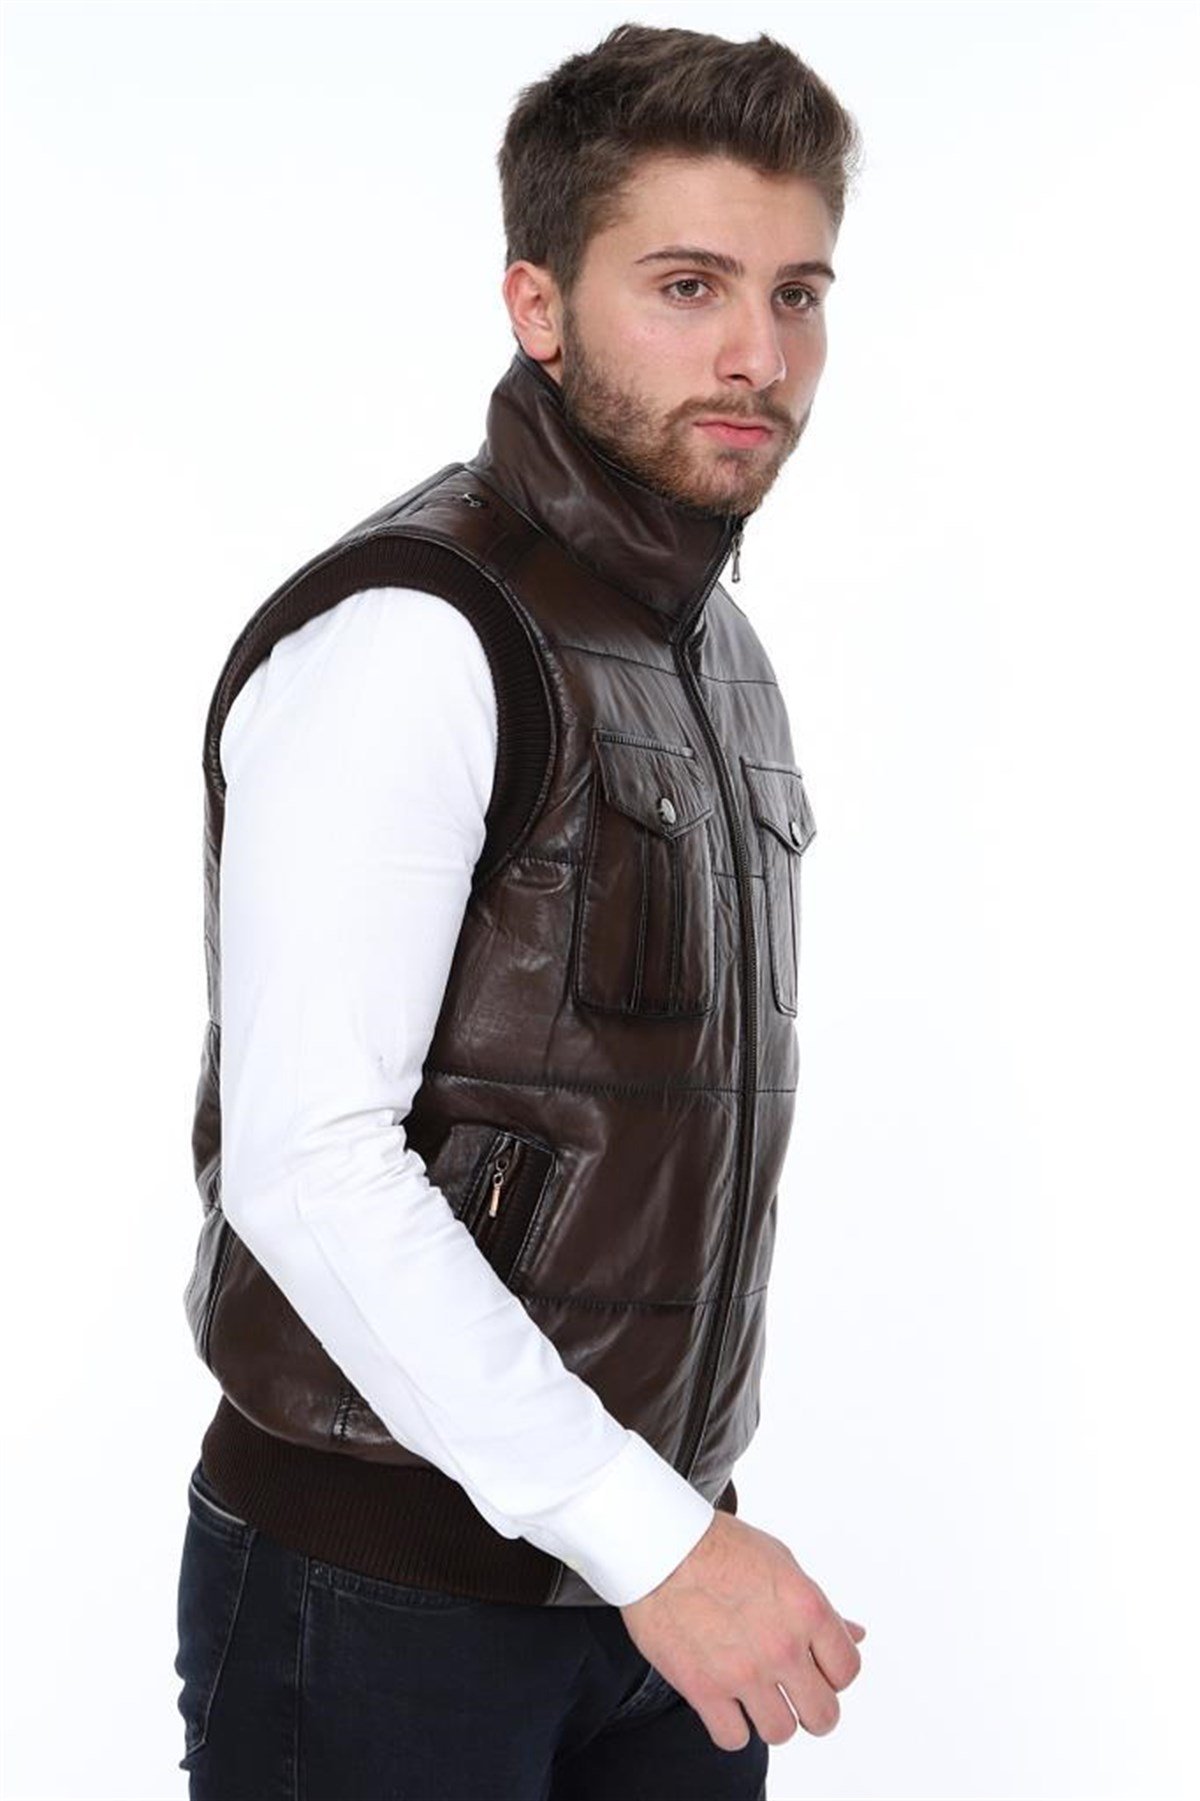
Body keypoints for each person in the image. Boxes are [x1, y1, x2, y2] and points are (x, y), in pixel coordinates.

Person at [174, 21, 866, 1799]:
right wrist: (656, 1536)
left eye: (797, 293)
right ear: (537, 306)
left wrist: (669, 1539)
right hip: (386, 1598)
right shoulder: (420, 632)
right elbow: (308, 1164)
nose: (759, 354)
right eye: (690, 285)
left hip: (654, 1587)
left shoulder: (719, 653)